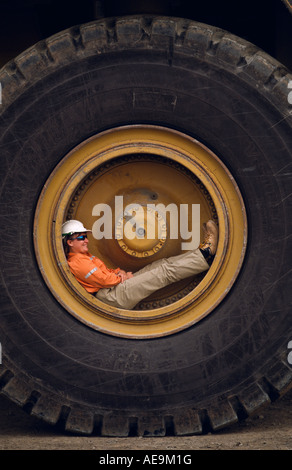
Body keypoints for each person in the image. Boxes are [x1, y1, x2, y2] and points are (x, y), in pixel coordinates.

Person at [62, 219, 218, 310]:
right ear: (70, 242)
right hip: (111, 297)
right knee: (162, 273)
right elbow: (104, 280)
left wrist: (120, 273)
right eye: (81, 237)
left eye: (85, 236)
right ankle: (205, 255)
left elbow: (106, 272)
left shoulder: (84, 257)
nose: (86, 240)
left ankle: (202, 255)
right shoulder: (77, 262)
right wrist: (122, 277)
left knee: (158, 265)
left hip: (113, 290)